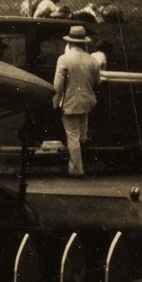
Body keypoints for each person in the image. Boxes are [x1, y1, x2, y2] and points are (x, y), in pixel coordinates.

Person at [52, 25, 101, 177]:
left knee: (72, 137)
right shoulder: (93, 60)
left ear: (70, 43)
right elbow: (97, 81)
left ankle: (76, 170)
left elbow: (57, 85)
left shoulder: (64, 59)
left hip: (70, 103)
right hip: (87, 103)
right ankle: (76, 165)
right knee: (81, 136)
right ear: (84, 43)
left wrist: (56, 103)